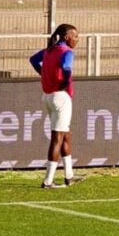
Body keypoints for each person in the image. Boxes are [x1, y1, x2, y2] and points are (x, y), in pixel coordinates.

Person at [29, 23, 79, 189]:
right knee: (57, 137)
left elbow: (33, 60)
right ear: (66, 37)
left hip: (48, 96)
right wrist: (65, 81)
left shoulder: (49, 51)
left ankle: (69, 175)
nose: (77, 40)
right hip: (61, 97)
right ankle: (48, 180)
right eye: (75, 36)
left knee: (66, 135)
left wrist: (42, 73)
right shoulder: (66, 52)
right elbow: (66, 67)